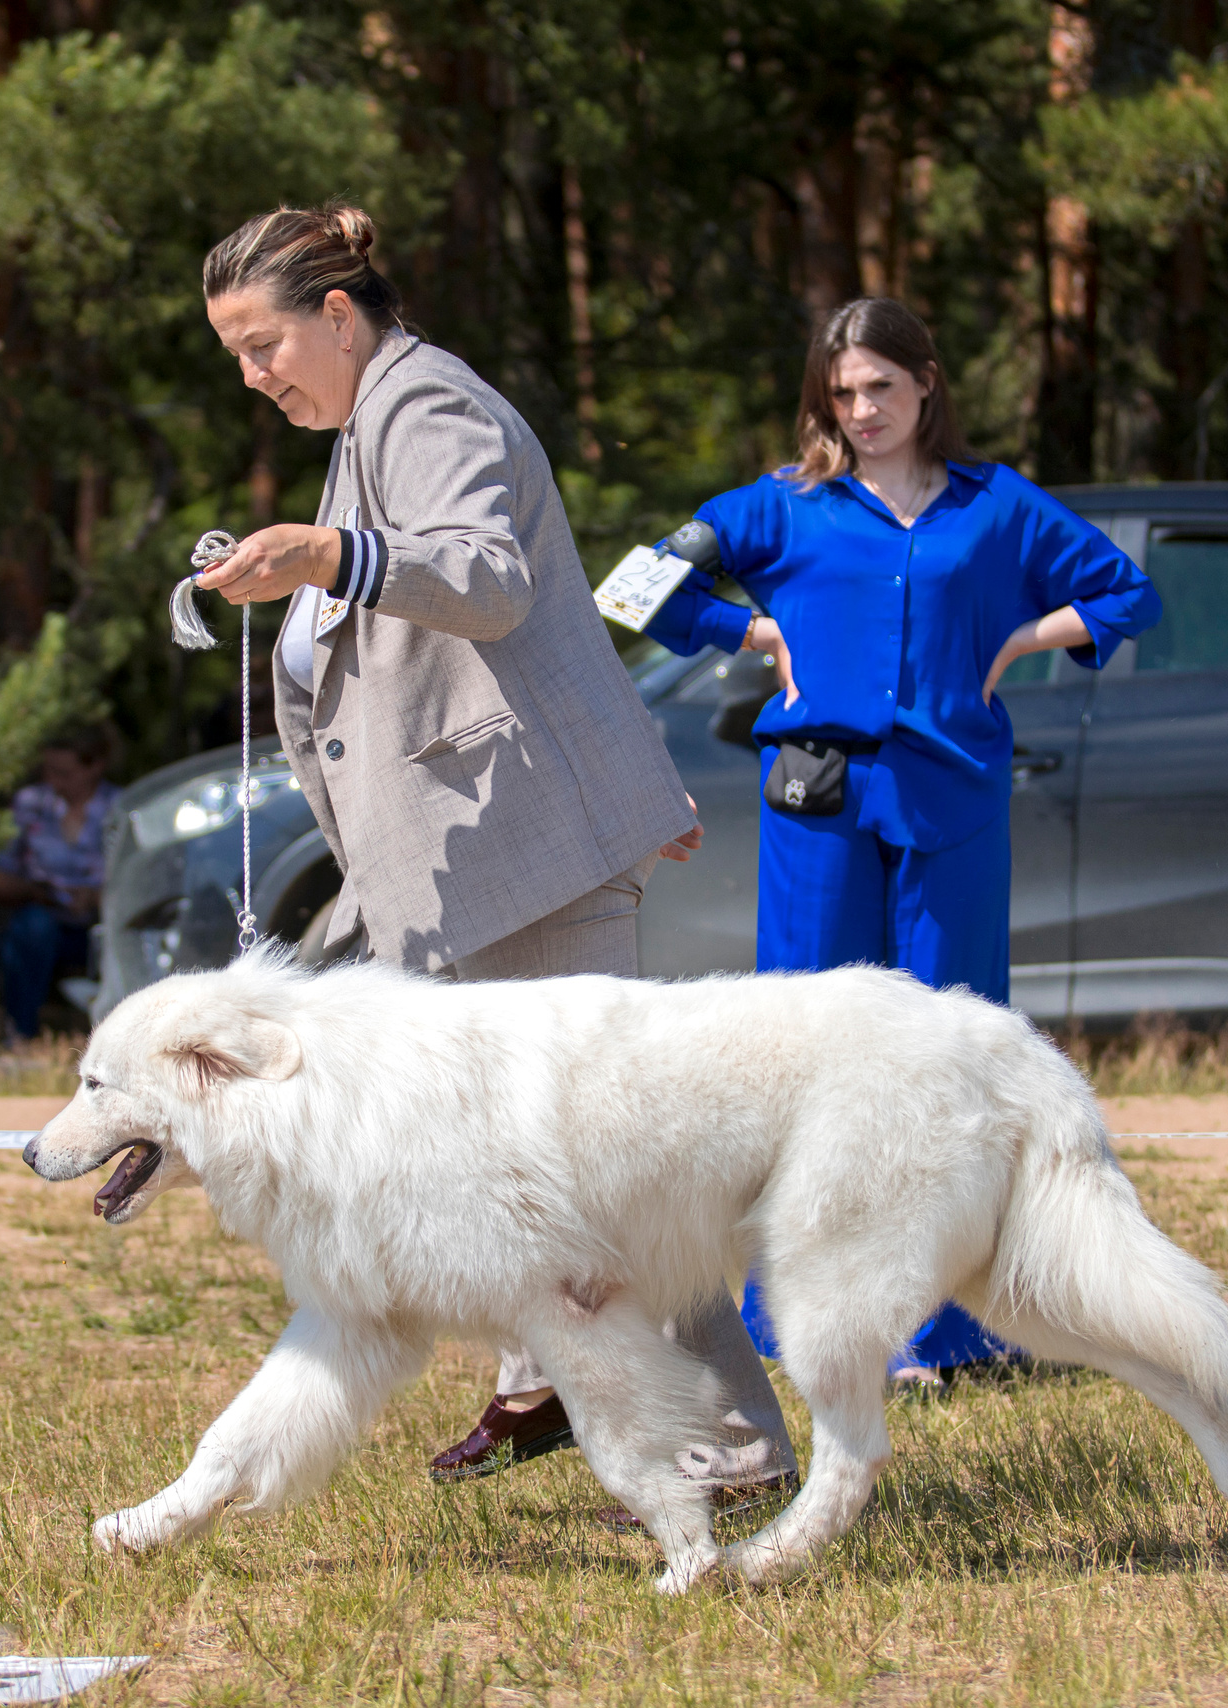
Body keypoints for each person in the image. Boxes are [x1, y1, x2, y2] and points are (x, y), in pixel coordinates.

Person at [192, 201, 797, 1509]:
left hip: (523, 859)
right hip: (475, 864)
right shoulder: (370, 423)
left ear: (338, 316)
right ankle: (544, 1381)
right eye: (232, 354)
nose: (250, 375)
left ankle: (738, 1461)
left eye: (260, 344)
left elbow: (487, 580)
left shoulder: (423, 408)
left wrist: (329, 554)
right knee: (507, 1165)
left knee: (600, 1179)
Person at [645, 296, 1161, 1386]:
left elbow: (1129, 593)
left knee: (951, 1061)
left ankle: (949, 1331)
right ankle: (789, 1321)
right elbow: (634, 586)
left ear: (928, 383)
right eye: (842, 392)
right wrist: (748, 627)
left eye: (881, 386)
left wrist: (1022, 635)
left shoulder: (998, 506)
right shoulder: (781, 507)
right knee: (803, 1062)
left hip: (954, 803)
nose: (862, 409)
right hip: (817, 807)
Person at [0, 725, 121, 1039]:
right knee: (32, 928)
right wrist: (37, 892)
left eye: (64, 773)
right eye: (49, 771)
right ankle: (19, 1035)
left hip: (103, 926)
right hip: (45, 923)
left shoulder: (123, 808)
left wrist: (99, 898)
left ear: (95, 766)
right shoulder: (30, 804)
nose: (53, 782)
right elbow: (0, 879)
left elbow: (141, 880)